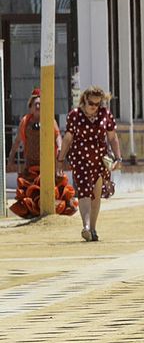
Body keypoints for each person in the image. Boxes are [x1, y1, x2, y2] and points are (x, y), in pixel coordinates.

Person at [60, 86, 120, 241]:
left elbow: (112, 138)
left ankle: (93, 228)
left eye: (97, 104)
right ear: (84, 101)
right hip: (80, 159)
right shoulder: (74, 115)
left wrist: (118, 158)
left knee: (96, 195)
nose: (94, 107)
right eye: (91, 103)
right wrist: (60, 159)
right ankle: (85, 226)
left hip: (100, 160)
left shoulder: (105, 114)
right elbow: (68, 138)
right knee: (84, 192)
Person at [8, 90, 75, 219]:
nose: (38, 106)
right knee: (30, 190)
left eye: (40, 104)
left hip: (48, 164)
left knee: (56, 187)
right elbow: (17, 141)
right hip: (31, 163)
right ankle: (33, 212)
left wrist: (60, 148)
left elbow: (57, 136)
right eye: (35, 104)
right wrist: (11, 159)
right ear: (30, 107)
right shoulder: (25, 121)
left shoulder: (50, 120)